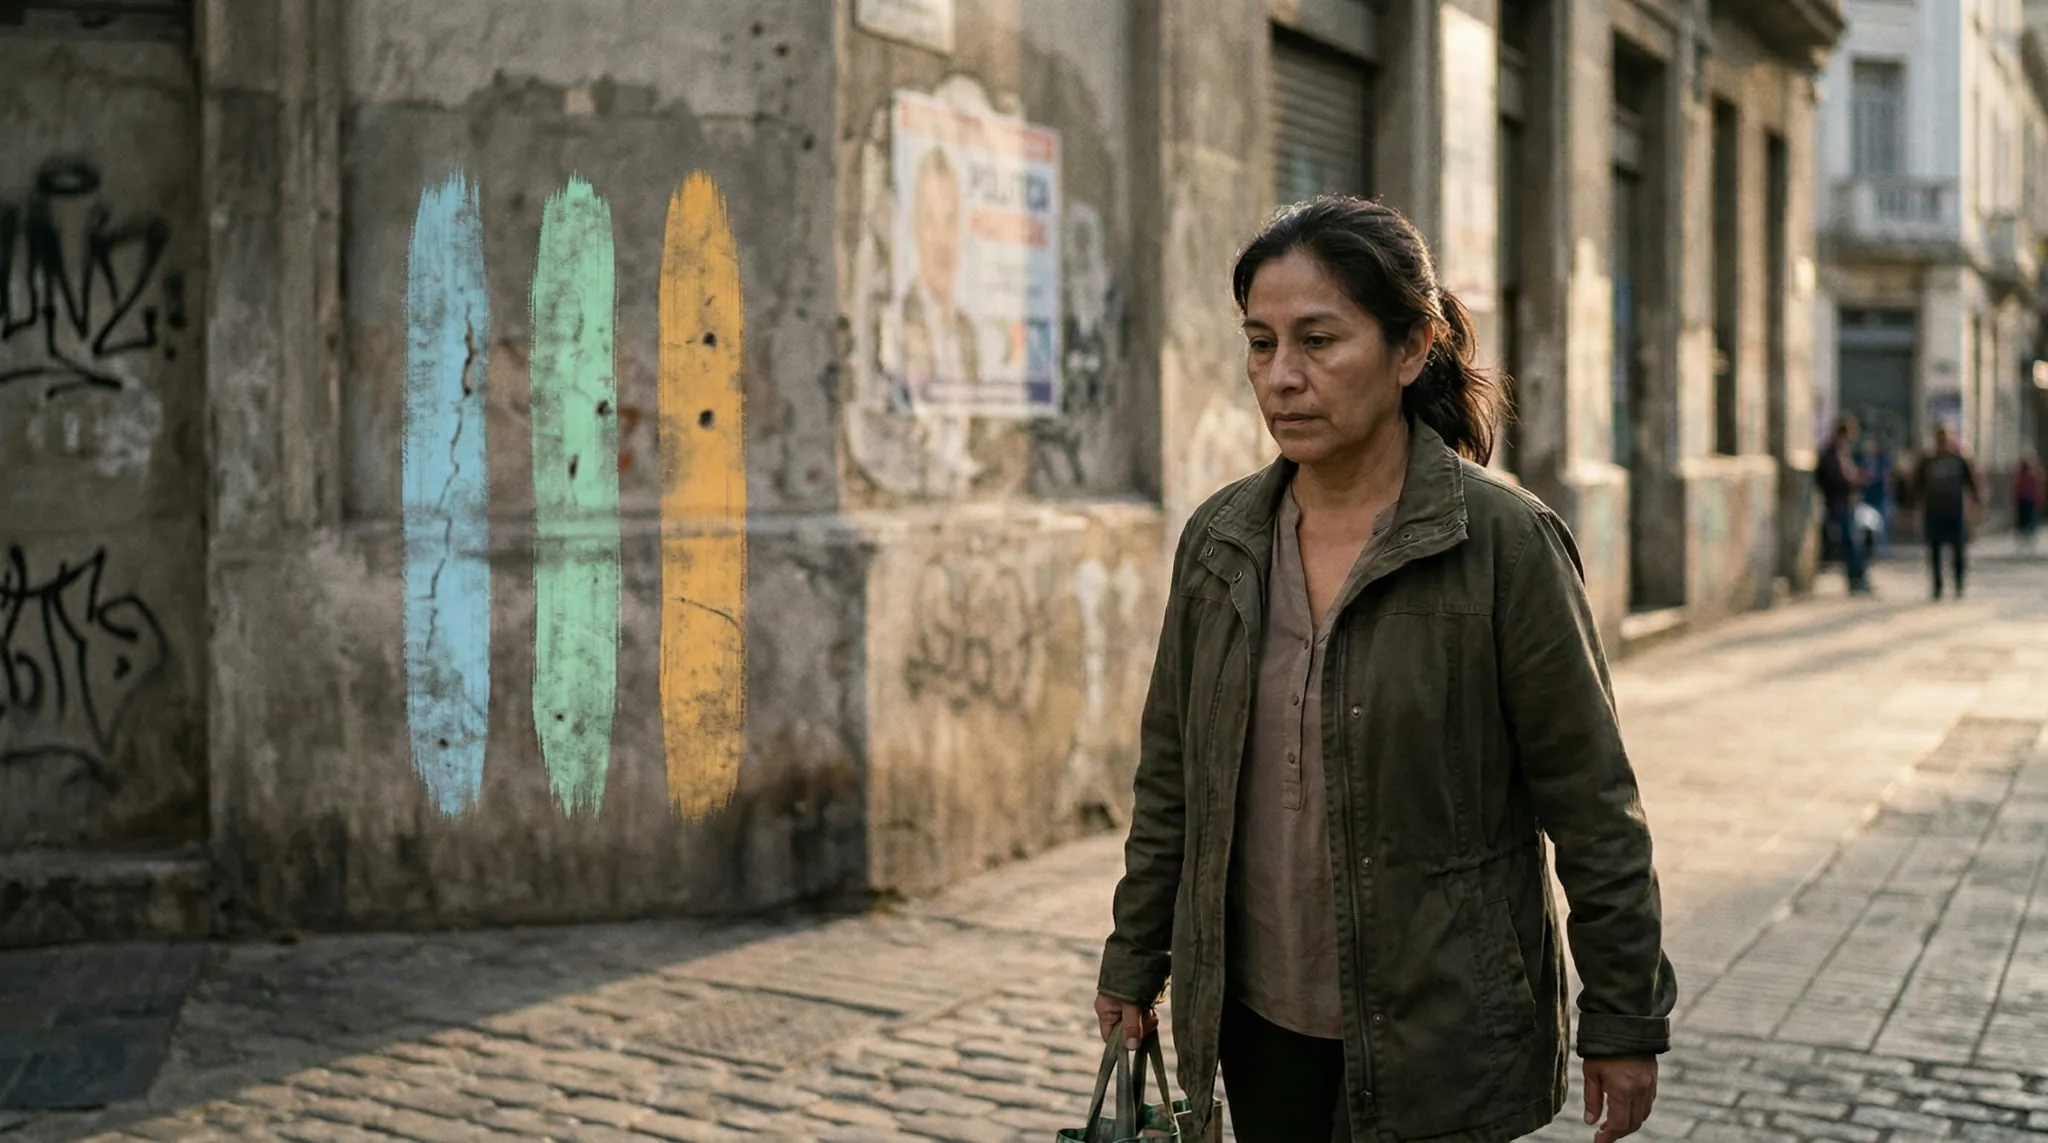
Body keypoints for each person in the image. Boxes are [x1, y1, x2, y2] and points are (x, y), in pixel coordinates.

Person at [1095, 196, 1675, 1143]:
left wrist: (1624, 1012)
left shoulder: (1502, 544)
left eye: (1319, 340)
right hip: (1257, 1024)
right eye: (1260, 343)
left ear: (1412, 349)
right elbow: (1173, 781)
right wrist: (1133, 959)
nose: (1283, 377)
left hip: (1440, 1035)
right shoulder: (1221, 542)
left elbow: (1592, 799)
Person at [897, 146, 979, 399]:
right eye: (930, 221)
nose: (942, 240)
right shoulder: (898, 320)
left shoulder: (966, 332)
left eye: (950, 221)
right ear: (915, 228)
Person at [1914, 424, 1982, 599]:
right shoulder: (1928, 461)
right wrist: (1914, 507)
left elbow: (1972, 484)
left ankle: (1958, 586)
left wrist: (1977, 504)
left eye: (1946, 439)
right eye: (1940, 440)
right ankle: (1937, 587)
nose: (1943, 443)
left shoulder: (1960, 460)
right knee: (1935, 552)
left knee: (1958, 552)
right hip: (1934, 512)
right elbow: (1917, 486)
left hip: (1955, 513)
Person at [1817, 417, 1871, 594]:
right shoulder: (1832, 454)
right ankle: (1856, 580)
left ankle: (1859, 579)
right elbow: (1833, 479)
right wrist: (1853, 480)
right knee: (1850, 543)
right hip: (1839, 504)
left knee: (1855, 542)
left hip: (1846, 503)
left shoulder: (1842, 452)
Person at [2014, 449, 2043, 554]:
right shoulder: (2020, 472)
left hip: (2030, 499)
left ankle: (2029, 538)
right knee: (2023, 519)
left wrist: (2039, 497)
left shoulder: (2034, 472)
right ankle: (2023, 539)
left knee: (2030, 518)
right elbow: (2016, 485)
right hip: (2022, 499)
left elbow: (2039, 485)